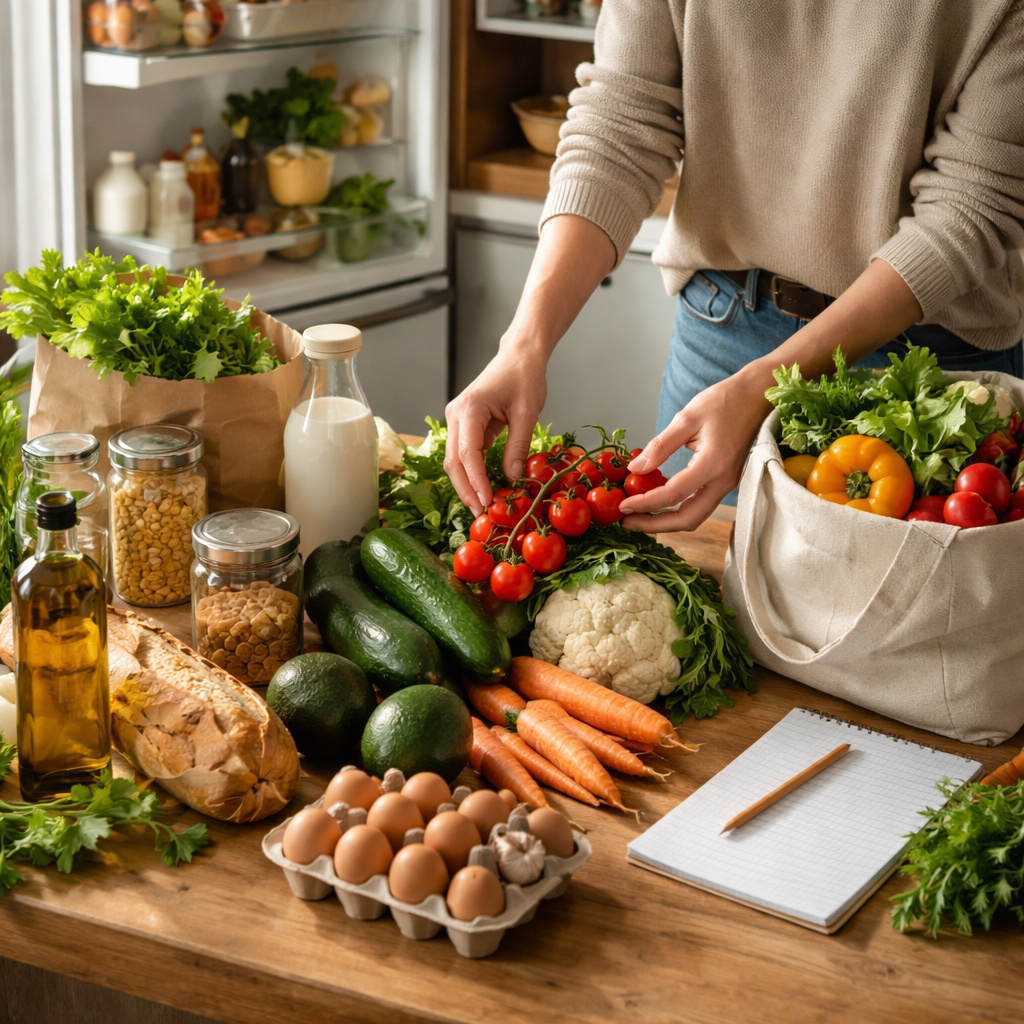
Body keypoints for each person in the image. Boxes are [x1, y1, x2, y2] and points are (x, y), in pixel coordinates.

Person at [444, 0, 1024, 531]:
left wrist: (764, 386)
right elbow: (619, 127)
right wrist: (523, 345)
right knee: (708, 606)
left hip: (924, 362)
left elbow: (973, 206)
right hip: (725, 332)